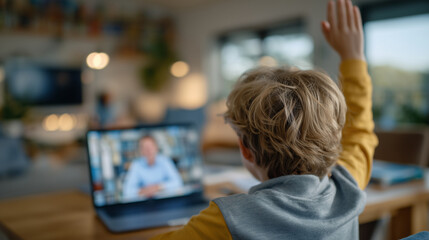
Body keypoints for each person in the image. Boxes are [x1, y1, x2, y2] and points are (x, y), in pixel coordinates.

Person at [151, 0, 378, 239]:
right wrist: (353, 57)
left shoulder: (228, 219)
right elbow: (361, 134)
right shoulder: (347, 189)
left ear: (245, 149)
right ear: (332, 135)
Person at [123, 135, 183, 200]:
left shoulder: (165, 161)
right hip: (145, 206)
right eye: (145, 148)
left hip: (166, 203)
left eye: (150, 147)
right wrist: (144, 191)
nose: (148, 150)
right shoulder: (136, 165)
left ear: (156, 147)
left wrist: (158, 187)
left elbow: (178, 182)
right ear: (141, 151)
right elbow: (127, 191)